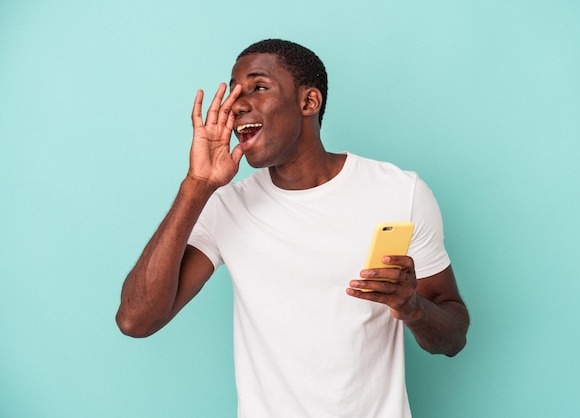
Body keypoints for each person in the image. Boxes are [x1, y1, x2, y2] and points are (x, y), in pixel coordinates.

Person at [116, 39, 469, 417]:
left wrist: (412, 307)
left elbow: (453, 336)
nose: (236, 103)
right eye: (234, 90)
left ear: (308, 102)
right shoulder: (226, 206)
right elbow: (136, 320)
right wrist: (197, 185)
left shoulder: (401, 191)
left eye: (258, 86)